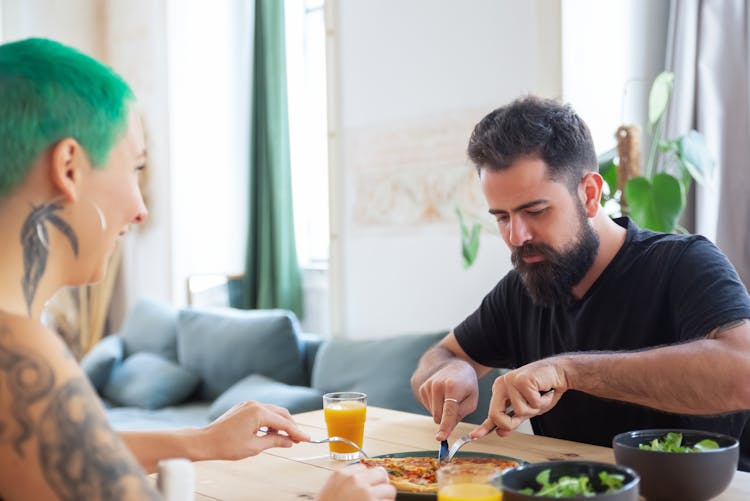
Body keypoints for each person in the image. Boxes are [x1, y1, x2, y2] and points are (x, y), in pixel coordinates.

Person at [0, 37, 394, 501]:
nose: (140, 209)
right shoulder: (21, 359)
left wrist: (204, 442)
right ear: (69, 167)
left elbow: (75, 450)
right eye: (135, 169)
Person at [411, 95, 750, 469]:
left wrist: (568, 371)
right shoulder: (524, 286)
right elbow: (438, 357)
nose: (516, 235)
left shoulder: (683, 263)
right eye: (502, 217)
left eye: (535, 211)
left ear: (589, 194)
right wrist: (452, 370)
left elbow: (743, 373)